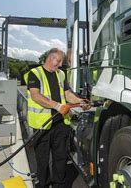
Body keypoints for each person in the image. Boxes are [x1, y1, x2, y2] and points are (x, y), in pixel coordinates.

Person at [27, 48, 89, 188]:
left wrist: (80, 102)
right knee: (42, 160)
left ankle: (59, 184)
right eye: (58, 61)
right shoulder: (35, 73)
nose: (60, 65)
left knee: (60, 157)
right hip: (42, 125)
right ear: (50, 58)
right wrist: (57, 106)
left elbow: (67, 94)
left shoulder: (61, 74)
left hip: (61, 124)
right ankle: (43, 184)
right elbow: (35, 96)